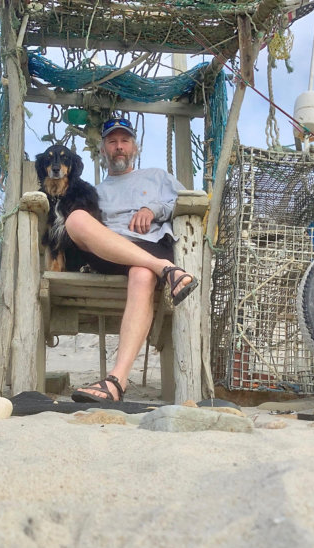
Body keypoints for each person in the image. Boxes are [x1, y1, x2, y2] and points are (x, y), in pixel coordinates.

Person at [66, 117, 198, 403]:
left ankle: (115, 382)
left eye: (124, 141)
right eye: (112, 142)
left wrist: (152, 209)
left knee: (142, 274)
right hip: (111, 251)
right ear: (102, 150)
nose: (119, 147)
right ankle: (167, 270)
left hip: (150, 243)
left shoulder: (157, 176)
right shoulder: (95, 191)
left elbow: (190, 199)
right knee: (76, 218)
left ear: (134, 148)